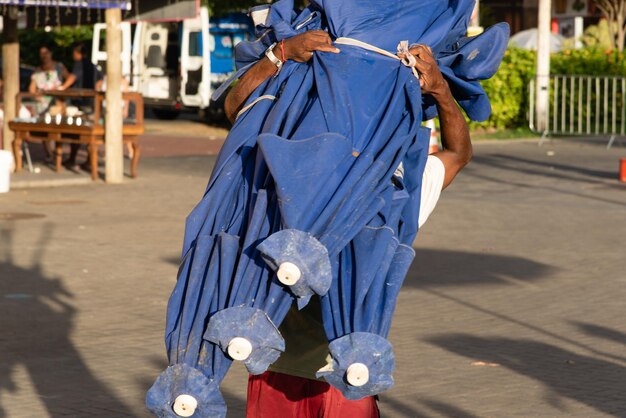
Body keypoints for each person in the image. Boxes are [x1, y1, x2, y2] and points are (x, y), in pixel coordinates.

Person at [224, 30, 472, 418]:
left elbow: (458, 153)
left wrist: (440, 90)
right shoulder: (289, 164)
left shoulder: (397, 184)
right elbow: (237, 111)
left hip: (347, 376)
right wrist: (281, 54)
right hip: (276, 366)